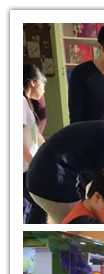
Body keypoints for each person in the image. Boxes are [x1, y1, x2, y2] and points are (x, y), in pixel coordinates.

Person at [23, 64, 48, 224]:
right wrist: (33, 164)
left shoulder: (26, 103)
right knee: (41, 203)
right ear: (33, 82)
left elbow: (36, 136)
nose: (44, 89)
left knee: (37, 205)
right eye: (43, 83)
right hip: (24, 168)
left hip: (27, 167)